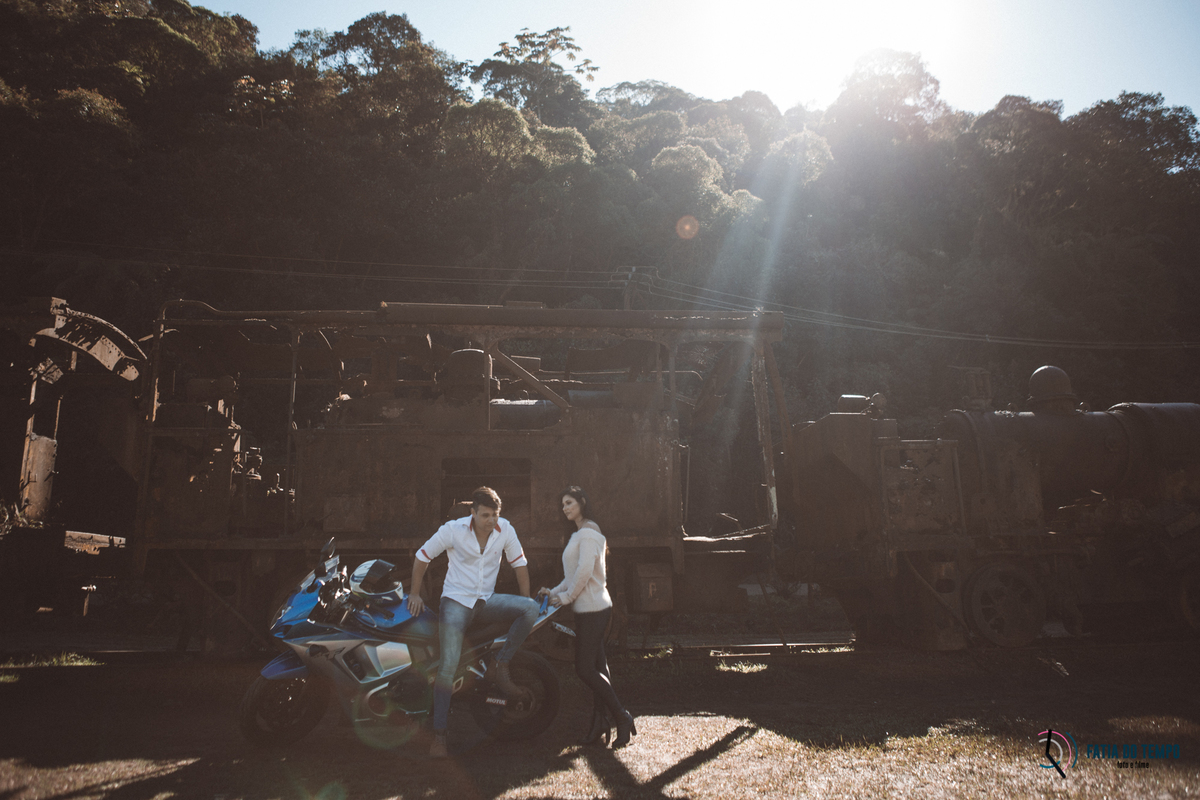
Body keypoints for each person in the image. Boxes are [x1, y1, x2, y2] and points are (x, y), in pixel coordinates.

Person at [408, 486, 540, 759]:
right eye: (485, 515)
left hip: (486, 601)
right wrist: (414, 593)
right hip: (456, 602)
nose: (492, 520)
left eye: (495, 515)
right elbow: (422, 556)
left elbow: (520, 565)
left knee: (530, 609)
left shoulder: (506, 530)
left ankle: (498, 666)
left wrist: (524, 600)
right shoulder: (453, 530)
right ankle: (440, 737)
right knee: (448, 666)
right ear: (473, 513)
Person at [537, 486, 637, 749]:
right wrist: (554, 591)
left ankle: (622, 716)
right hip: (586, 609)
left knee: (584, 669)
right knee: (599, 669)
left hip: (594, 608)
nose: (565, 508)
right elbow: (572, 575)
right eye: (562, 505)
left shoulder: (589, 532)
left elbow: (585, 570)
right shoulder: (580, 533)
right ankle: (600, 722)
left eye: (569, 502)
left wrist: (567, 597)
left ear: (582, 502)